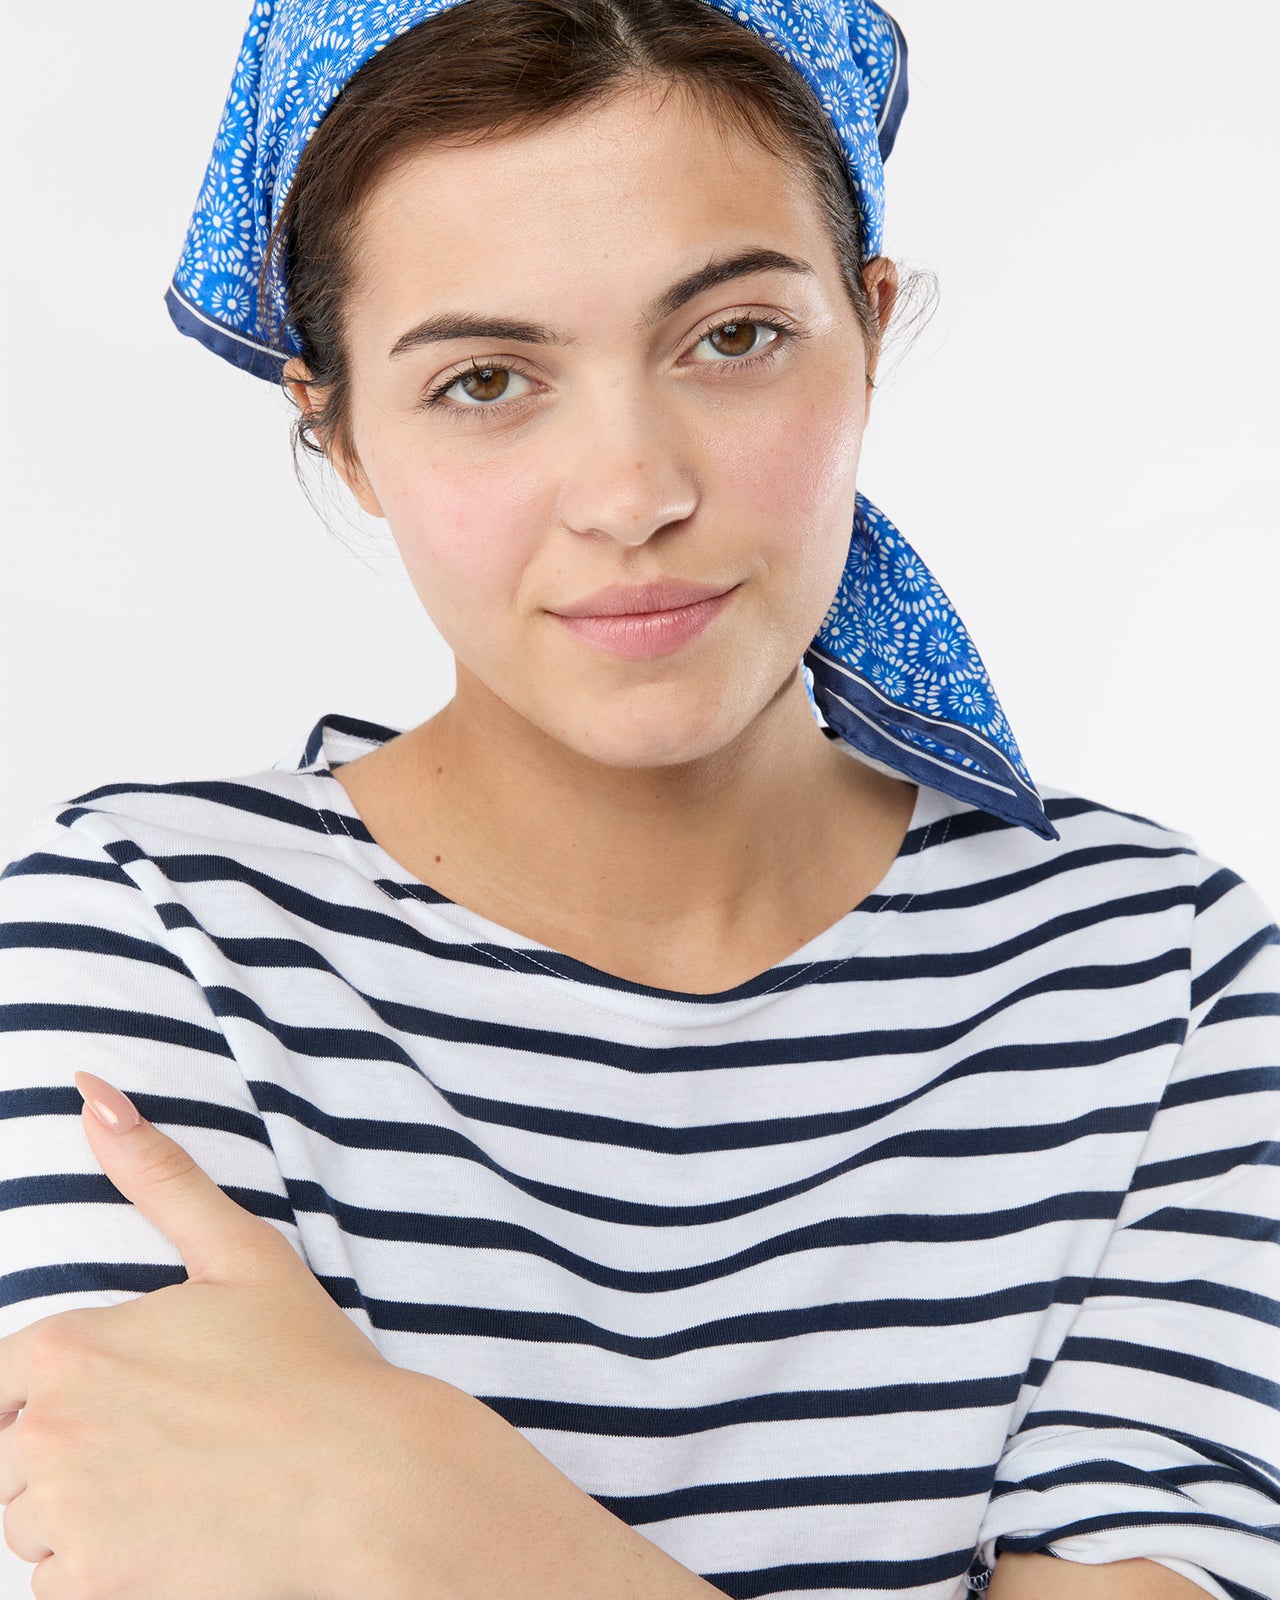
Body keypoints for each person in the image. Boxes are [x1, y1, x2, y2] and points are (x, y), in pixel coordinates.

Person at [0, 1, 1277, 1596]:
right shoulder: (152, 939)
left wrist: (452, 1526)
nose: (632, 494)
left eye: (732, 338)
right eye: (482, 380)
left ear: (868, 327)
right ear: (337, 432)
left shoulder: (1164, 978)